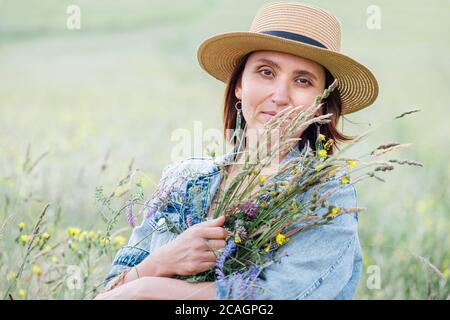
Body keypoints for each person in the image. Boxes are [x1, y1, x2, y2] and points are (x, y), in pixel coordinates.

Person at [95, 2, 378, 300]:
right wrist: (162, 261)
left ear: (320, 105)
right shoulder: (183, 178)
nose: (280, 96)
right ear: (239, 86)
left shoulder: (325, 195)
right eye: (266, 72)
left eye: (303, 80)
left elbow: (282, 296)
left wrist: (154, 290)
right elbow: (113, 288)